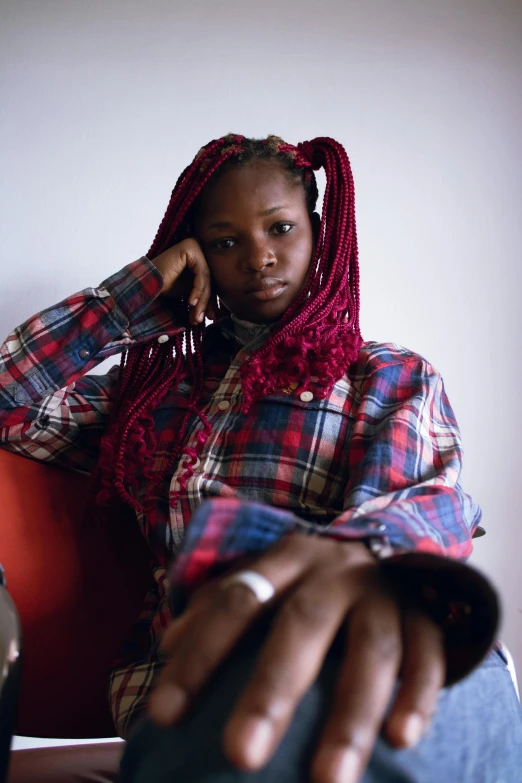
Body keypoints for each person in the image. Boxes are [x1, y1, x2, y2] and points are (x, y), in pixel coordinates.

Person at [1, 134, 521, 783]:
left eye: (280, 227)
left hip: (376, 636)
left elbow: (420, 507)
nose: (259, 257)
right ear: (196, 254)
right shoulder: (150, 394)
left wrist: (367, 559)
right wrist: (131, 299)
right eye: (225, 241)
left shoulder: (386, 376)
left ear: (319, 232)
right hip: (200, 686)